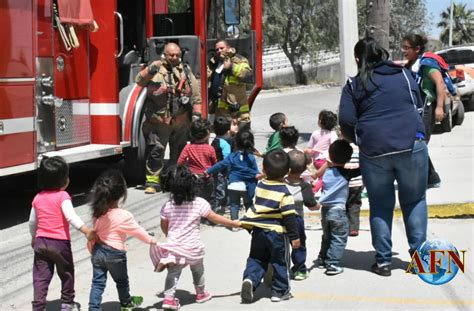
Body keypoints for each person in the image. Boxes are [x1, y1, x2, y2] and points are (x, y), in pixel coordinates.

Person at [339, 37, 428, 277]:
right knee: (415, 200)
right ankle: (420, 260)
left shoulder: (354, 85)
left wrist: (361, 139)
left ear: (359, 59)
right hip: (412, 143)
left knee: (380, 204)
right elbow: (418, 103)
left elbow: (346, 122)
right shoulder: (404, 74)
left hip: (374, 150)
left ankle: (383, 262)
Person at [150, 165, 240, 310]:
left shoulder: (167, 206)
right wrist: (234, 222)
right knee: (198, 270)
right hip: (193, 248)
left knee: (173, 273)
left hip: (175, 248)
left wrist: (170, 236)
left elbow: (164, 225)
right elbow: (214, 217)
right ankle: (201, 293)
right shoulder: (200, 203)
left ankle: (168, 299)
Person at [29, 156, 95, 311]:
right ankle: (67, 303)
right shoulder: (63, 196)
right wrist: (86, 230)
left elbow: (32, 222)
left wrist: (33, 237)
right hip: (59, 243)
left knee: (40, 277)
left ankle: (38, 306)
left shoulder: (37, 198)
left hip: (40, 242)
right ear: (63, 181)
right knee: (66, 273)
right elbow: (71, 216)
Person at [135, 42, 202, 194]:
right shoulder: (155, 68)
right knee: (156, 151)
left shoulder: (185, 69)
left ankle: (174, 180)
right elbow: (139, 80)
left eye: (177, 55)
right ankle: (152, 182)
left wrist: (197, 114)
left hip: (180, 120)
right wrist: (151, 70)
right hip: (159, 121)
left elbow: (196, 93)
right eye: (171, 55)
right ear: (164, 54)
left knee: (178, 151)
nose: (175, 57)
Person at [87, 169, 157, 310]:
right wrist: (151, 240)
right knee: (122, 281)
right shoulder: (123, 215)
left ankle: (93, 308)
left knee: (97, 283)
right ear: (121, 193)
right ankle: (125, 303)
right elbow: (137, 231)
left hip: (98, 251)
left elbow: (95, 232)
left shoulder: (97, 211)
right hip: (115, 254)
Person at [240, 149, 300, 303]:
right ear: (287, 172)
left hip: (258, 231)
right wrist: (295, 237)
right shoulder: (285, 193)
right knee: (280, 261)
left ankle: (250, 280)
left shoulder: (260, 185)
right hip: (277, 233)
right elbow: (289, 218)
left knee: (256, 257)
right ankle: (280, 291)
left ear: (264, 169)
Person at [402, 34, 444, 188]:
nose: (403, 51)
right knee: (417, 143)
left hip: (428, 108)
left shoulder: (426, 65)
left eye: (407, 48)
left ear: (417, 49)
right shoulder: (409, 66)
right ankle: (430, 178)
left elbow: (439, 83)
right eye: (403, 47)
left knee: (420, 144)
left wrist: (439, 107)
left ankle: (430, 178)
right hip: (415, 111)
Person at [313, 140, 360, 275]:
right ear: (348, 158)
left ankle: (322, 259)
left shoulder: (327, 171)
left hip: (325, 210)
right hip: (338, 211)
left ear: (330, 156)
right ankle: (332, 263)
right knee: (339, 238)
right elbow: (360, 170)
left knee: (327, 236)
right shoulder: (346, 173)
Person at [206, 129, 260, 223]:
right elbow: (256, 172)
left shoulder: (232, 156)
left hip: (233, 186)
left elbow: (220, 164)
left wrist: (208, 171)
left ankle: (234, 223)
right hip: (247, 187)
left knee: (234, 205)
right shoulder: (251, 157)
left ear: (236, 142)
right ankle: (249, 222)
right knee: (248, 204)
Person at [285, 149, 318, 281]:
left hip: (279, 218)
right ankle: (299, 270)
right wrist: (318, 206)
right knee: (299, 244)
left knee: (281, 244)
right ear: (304, 168)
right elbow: (311, 204)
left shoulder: (280, 181)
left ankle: (280, 267)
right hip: (296, 219)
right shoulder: (304, 186)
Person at [208, 39, 253, 129]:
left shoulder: (239, 60)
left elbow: (247, 75)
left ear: (228, 48)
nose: (219, 51)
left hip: (239, 112)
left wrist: (231, 67)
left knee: (241, 138)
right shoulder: (215, 63)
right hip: (221, 112)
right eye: (217, 49)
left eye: (222, 48)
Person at [177, 119, 217, 202]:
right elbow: (214, 164)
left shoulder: (188, 147)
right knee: (206, 200)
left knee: (193, 199)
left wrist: (186, 169)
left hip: (192, 178)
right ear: (207, 133)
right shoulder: (210, 149)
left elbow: (179, 162)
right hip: (206, 179)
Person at [305, 110, 338, 193]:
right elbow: (334, 147)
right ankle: (313, 191)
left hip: (317, 161)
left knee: (323, 177)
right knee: (322, 178)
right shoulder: (332, 134)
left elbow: (310, 147)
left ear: (320, 122)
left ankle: (320, 191)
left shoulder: (315, 133)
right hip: (326, 160)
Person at [210, 116, 232, 213]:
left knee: (217, 188)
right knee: (222, 189)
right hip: (222, 171)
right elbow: (227, 159)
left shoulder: (214, 141)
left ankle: (221, 206)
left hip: (214, 168)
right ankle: (219, 208)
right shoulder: (225, 144)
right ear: (228, 132)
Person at [345, 143, 364, 237]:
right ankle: (353, 228)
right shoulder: (359, 148)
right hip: (357, 182)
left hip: (343, 182)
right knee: (354, 205)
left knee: (343, 204)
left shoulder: (340, 146)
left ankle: (343, 227)